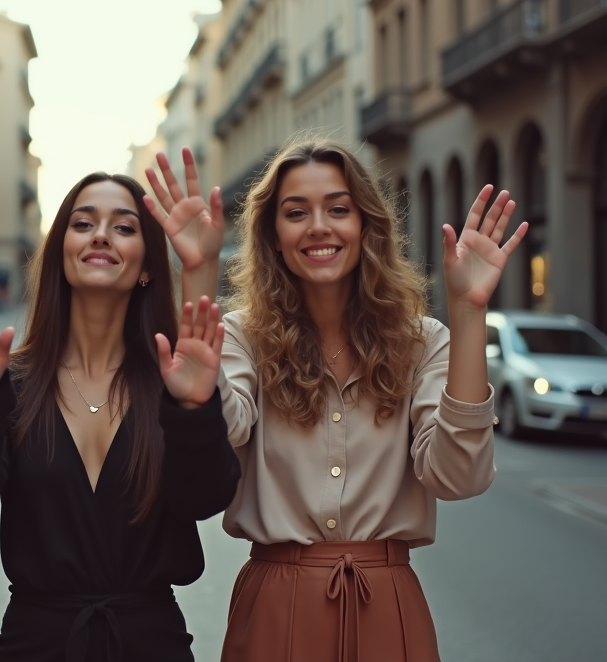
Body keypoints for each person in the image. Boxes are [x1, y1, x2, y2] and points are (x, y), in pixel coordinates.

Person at [145, 138, 527, 662]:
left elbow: (458, 477)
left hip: (388, 606)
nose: (318, 226)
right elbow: (225, 430)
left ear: (366, 225)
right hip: (275, 604)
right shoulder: (243, 336)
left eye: (338, 209)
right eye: (296, 212)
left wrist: (469, 310)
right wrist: (198, 274)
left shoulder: (424, 341)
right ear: (274, 236)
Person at [0, 172, 241, 662]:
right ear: (61, 253)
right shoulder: (13, 381)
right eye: (83, 222)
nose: (101, 234)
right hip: (35, 645)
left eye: (125, 227)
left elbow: (205, 499)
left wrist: (195, 408)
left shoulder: (175, 382)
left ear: (147, 268)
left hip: (152, 645)